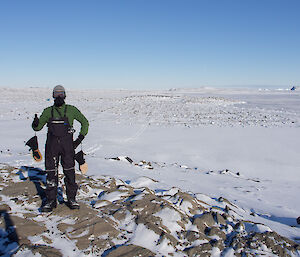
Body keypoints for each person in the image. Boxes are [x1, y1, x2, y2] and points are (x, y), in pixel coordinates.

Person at [32, 85, 89, 212]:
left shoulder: (71, 110)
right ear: (53, 96)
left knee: (69, 172)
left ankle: (71, 199)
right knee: (51, 173)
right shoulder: (48, 111)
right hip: (51, 147)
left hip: (67, 146)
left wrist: (78, 140)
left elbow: (85, 123)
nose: (59, 96)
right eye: (56, 94)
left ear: (65, 96)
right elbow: (37, 128)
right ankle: (51, 201)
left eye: (61, 94)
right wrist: (35, 123)